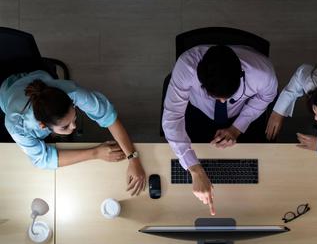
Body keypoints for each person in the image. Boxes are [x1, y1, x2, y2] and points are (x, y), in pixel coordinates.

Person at [162, 45, 277, 215]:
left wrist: (237, 127)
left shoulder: (263, 74)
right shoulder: (186, 66)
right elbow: (172, 118)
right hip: (196, 111)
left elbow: (267, 96)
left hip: (239, 114)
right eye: (216, 96)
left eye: (227, 96)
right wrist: (195, 169)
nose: (222, 101)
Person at [0, 70, 146, 196]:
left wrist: (133, 158)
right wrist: (96, 152)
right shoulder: (16, 125)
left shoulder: (71, 92)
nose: (74, 127)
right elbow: (42, 159)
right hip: (8, 90)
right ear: (43, 125)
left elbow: (107, 115)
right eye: (65, 127)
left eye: (74, 117)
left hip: (36, 79)